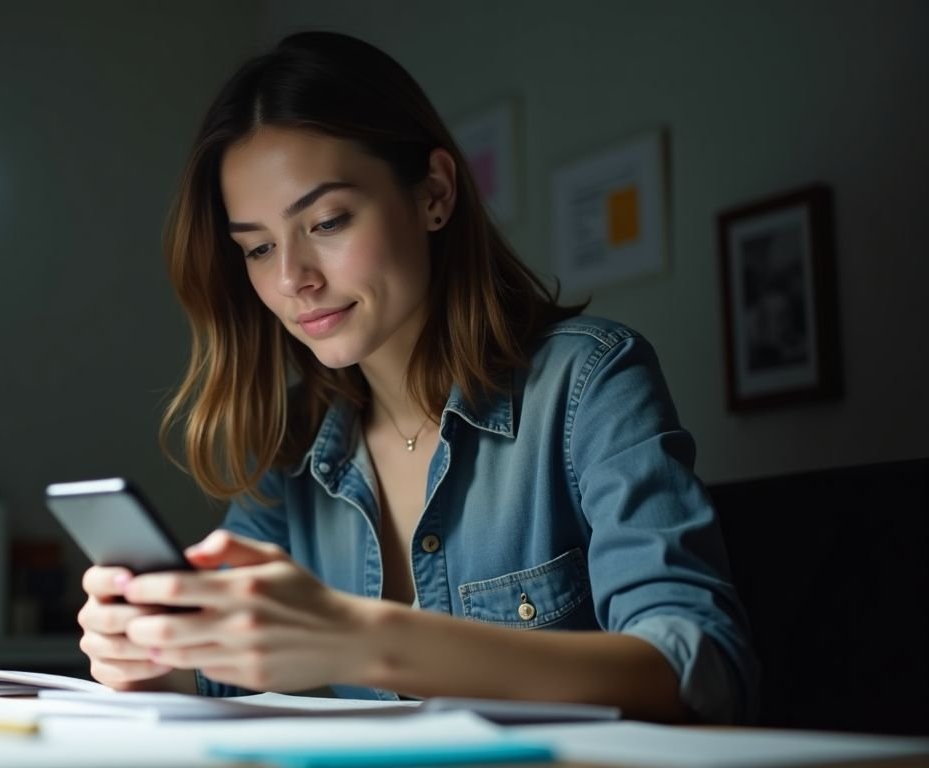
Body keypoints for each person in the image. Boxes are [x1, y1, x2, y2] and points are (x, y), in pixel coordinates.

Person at [76, 30, 757, 724]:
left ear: (434, 192)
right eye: (256, 247)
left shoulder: (589, 381)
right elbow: (218, 677)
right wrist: (152, 658)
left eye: (328, 221)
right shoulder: (293, 451)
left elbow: (694, 667)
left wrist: (363, 640)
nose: (292, 280)